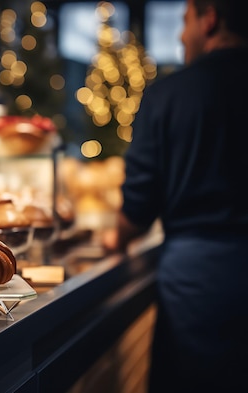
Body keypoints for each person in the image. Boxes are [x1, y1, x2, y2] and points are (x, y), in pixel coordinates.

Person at [103, 0, 248, 392]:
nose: (182, 35)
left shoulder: (170, 94)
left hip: (202, 279)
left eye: (185, 22)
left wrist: (118, 237)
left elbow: (141, 197)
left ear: (210, 18)